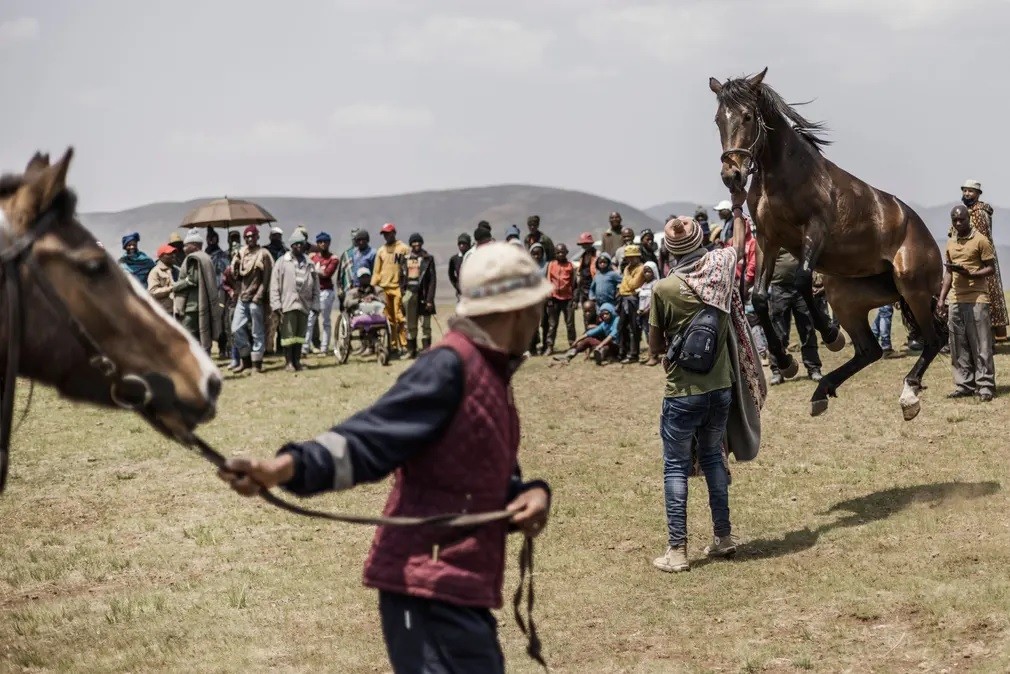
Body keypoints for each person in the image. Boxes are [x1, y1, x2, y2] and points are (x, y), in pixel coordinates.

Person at [218, 242, 552, 674]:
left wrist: (530, 494)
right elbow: (369, 440)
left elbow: (484, 466)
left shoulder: (491, 371)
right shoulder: (449, 367)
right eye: (538, 306)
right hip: (427, 587)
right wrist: (283, 468)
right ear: (517, 310)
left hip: (459, 584)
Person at [649, 206, 765, 573]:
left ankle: (677, 551)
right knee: (715, 457)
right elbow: (740, 242)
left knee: (675, 467)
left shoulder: (663, 289)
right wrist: (738, 207)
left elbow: (654, 349)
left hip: (682, 392)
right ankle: (724, 537)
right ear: (701, 242)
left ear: (669, 251)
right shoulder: (721, 271)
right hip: (721, 387)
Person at [939, 204, 996, 402]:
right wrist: (941, 298)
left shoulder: (981, 240)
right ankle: (964, 384)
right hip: (956, 298)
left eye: (961, 219)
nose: (958, 223)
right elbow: (948, 273)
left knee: (981, 344)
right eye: (954, 220)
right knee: (958, 345)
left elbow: (991, 269)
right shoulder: (950, 242)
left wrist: (972, 273)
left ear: (968, 219)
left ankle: (985, 386)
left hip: (977, 298)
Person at [959, 180, 1008, 340]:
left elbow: (982, 239)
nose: (967, 194)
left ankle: (990, 336)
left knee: (986, 297)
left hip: (982, 261)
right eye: (965, 190)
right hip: (971, 259)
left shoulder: (979, 212)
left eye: (970, 191)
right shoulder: (967, 211)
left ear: (978, 194)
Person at [766, 250, 823, 384]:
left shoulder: (800, 232)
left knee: (808, 330)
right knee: (778, 334)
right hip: (778, 288)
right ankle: (777, 370)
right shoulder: (774, 235)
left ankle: (814, 368)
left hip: (801, 287)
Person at [270, 231, 320, 372]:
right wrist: (276, 304)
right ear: (291, 245)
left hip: (304, 304)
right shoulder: (282, 262)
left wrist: (316, 304)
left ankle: (297, 361)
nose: (299, 246)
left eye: (301, 244)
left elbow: (316, 286)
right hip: (288, 303)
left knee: (299, 335)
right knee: (288, 335)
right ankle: (289, 363)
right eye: (296, 244)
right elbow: (274, 284)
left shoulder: (309, 263)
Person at [173, 230, 224, 353]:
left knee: (187, 335)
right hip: (201, 302)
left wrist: (175, 286)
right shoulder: (206, 257)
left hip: (192, 305)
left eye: (186, 245)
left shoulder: (194, 258)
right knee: (201, 336)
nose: (184, 248)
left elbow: (192, 280)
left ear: (194, 245)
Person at [231, 225, 274, 373]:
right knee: (235, 329)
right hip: (243, 298)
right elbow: (236, 277)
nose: (250, 239)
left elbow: (267, 279)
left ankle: (257, 364)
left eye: (252, 236)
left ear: (257, 237)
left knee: (258, 331)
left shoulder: (264, 254)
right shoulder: (241, 253)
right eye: (247, 236)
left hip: (257, 299)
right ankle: (245, 360)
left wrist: (259, 296)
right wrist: (235, 265)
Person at [372, 223, 410, 355]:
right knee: (389, 320)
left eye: (389, 233)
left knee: (400, 317)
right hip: (384, 288)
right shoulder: (381, 251)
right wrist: (373, 286)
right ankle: (393, 346)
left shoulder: (404, 248)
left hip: (398, 287)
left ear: (394, 233)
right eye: (384, 234)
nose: (387, 236)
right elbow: (377, 271)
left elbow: (409, 268)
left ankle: (404, 345)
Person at [400, 233, 437, 358]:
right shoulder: (405, 259)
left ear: (422, 243)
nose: (416, 244)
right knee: (410, 324)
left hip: (424, 294)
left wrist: (430, 299)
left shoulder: (428, 259)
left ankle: (426, 351)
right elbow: (401, 278)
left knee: (426, 324)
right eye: (414, 242)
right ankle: (411, 351)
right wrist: (403, 294)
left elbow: (432, 280)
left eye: (418, 242)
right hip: (409, 294)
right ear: (410, 244)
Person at [553, 302, 620, 364]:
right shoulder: (605, 323)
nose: (605, 316)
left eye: (606, 313)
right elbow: (591, 332)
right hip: (607, 345)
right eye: (603, 314)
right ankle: (569, 355)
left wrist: (600, 345)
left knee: (607, 345)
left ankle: (603, 356)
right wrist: (578, 339)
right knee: (588, 340)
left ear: (611, 312)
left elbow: (611, 336)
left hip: (617, 347)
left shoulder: (617, 320)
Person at [307, 232, 339, 356]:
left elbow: (327, 274)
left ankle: (324, 348)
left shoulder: (333, 258)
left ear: (329, 243)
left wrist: (313, 270)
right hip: (314, 291)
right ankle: (305, 347)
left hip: (326, 291)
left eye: (325, 242)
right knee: (310, 319)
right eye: (320, 242)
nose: (323, 244)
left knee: (325, 320)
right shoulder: (313, 257)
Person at [544, 243, 576, 355]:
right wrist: (549, 298)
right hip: (554, 299)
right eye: (558, 252)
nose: (560, 254)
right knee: (552, 324)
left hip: (567, 299)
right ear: (555, 253)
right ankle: (549, 346)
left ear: (566, 252)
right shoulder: (551, 265)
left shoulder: (570, 266)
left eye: (562, 252)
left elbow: (574, 283)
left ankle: (572, 345)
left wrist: (574, 299)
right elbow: (548, 281)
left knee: (570, 324)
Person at [616, 245, 646, 364]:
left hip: (633, 300)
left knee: (634, 327)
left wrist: (627, 274)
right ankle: (623, 351)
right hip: (624, 299)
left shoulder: (640, 268)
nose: (629, 260)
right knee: (622, 327)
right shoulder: (628, 268)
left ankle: (634, 354)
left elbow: (634, 284)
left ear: (638, 257)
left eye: (632, 257)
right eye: (628, 257)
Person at [206, 228, 231, 355]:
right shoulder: (203, 255)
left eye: (214, 237)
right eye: (209, 238)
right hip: (206, 291)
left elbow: (226, 270)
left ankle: (222, 348)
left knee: (221, 320)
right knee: (207, 320)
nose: (211, 240)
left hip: (220, 291)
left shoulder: (222, 255)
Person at [638, 261, 660, 366]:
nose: (646, 274)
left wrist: (647, 310)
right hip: (643, 315)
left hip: (651, 314)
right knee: (646, 334)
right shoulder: (644, 284)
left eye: (649, 271)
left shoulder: (656, 284)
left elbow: (654, 300)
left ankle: (654, 357)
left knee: (652, 335)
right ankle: (650, 354)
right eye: (645, 271)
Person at [147, 243, 177, 314]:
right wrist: (171, 288)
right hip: (164, 311)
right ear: (161, 257)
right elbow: (152, 292)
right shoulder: (155, 272)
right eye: (169, 254)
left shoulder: (177, 270)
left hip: (176, 310)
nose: (173, 255)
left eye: (174, 253)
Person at [336, 229, 361, 311]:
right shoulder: (346, 254)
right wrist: (340, 289)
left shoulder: (367, 253)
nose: (357, 241)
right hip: (349, 290)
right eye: (355, 239)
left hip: (363, 290)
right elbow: (341, 275)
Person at [448, 233, 471, 298]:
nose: (461, 246)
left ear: (468, 244)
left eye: (464, 244)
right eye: (460, 244)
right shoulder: (454, 259)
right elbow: (451, 274)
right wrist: (457, 285)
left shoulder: (474, 256)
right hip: (461, 293)